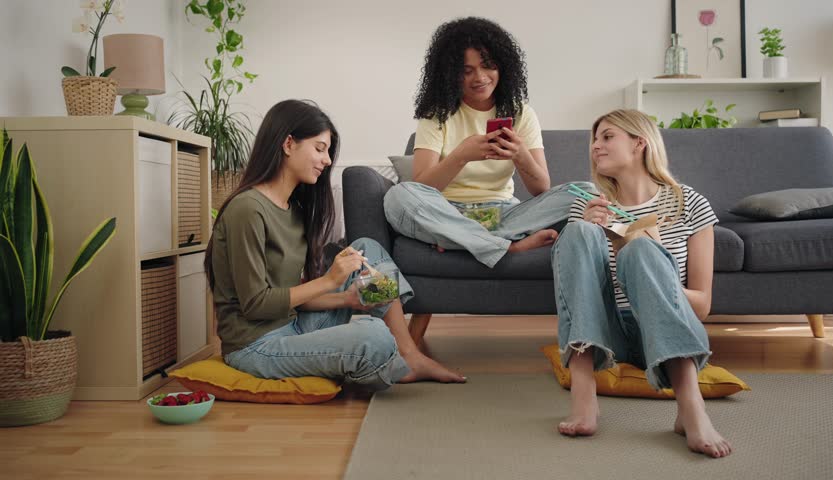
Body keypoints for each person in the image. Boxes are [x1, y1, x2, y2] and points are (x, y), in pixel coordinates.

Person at [205, 99, 466, 390]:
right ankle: (386, 357)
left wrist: (347, 300)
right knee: (373, 337)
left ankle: (408, 353)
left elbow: (292, 295)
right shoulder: (247, 210)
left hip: (292, 325)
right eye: (319, 148)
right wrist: (331, 281)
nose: (328, 160)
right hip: (256, 347)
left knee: (367, 247)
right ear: (288, 144)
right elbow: (256, 305)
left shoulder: (293, 210)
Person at [552, 109, 732, 458]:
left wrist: (653, 260)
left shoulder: (688, 203)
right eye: (594, 139)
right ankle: (584, 397)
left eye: (607, 137)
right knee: (576, 232)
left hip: (665, 331)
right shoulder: (588, 206)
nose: (595, 146)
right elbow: (577, 293)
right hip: (609, 333)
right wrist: (589, 229)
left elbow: (702, 306)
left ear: (639, 143)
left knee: (642, 251)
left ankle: (691, 409)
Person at [383, 17, 586, 268]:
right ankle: (506, 246)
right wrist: (461, 155)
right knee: (398, 196)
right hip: (449, 213)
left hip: (505, 215)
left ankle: (463, 240)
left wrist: (520, 153)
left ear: (502, 66)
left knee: (586, 193)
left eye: (487, 66)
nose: (479, 77)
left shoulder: (521, 113)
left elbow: (541, 189)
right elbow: (422, 187)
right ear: (450, 75)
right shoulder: (436, 115)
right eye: (466, 71)